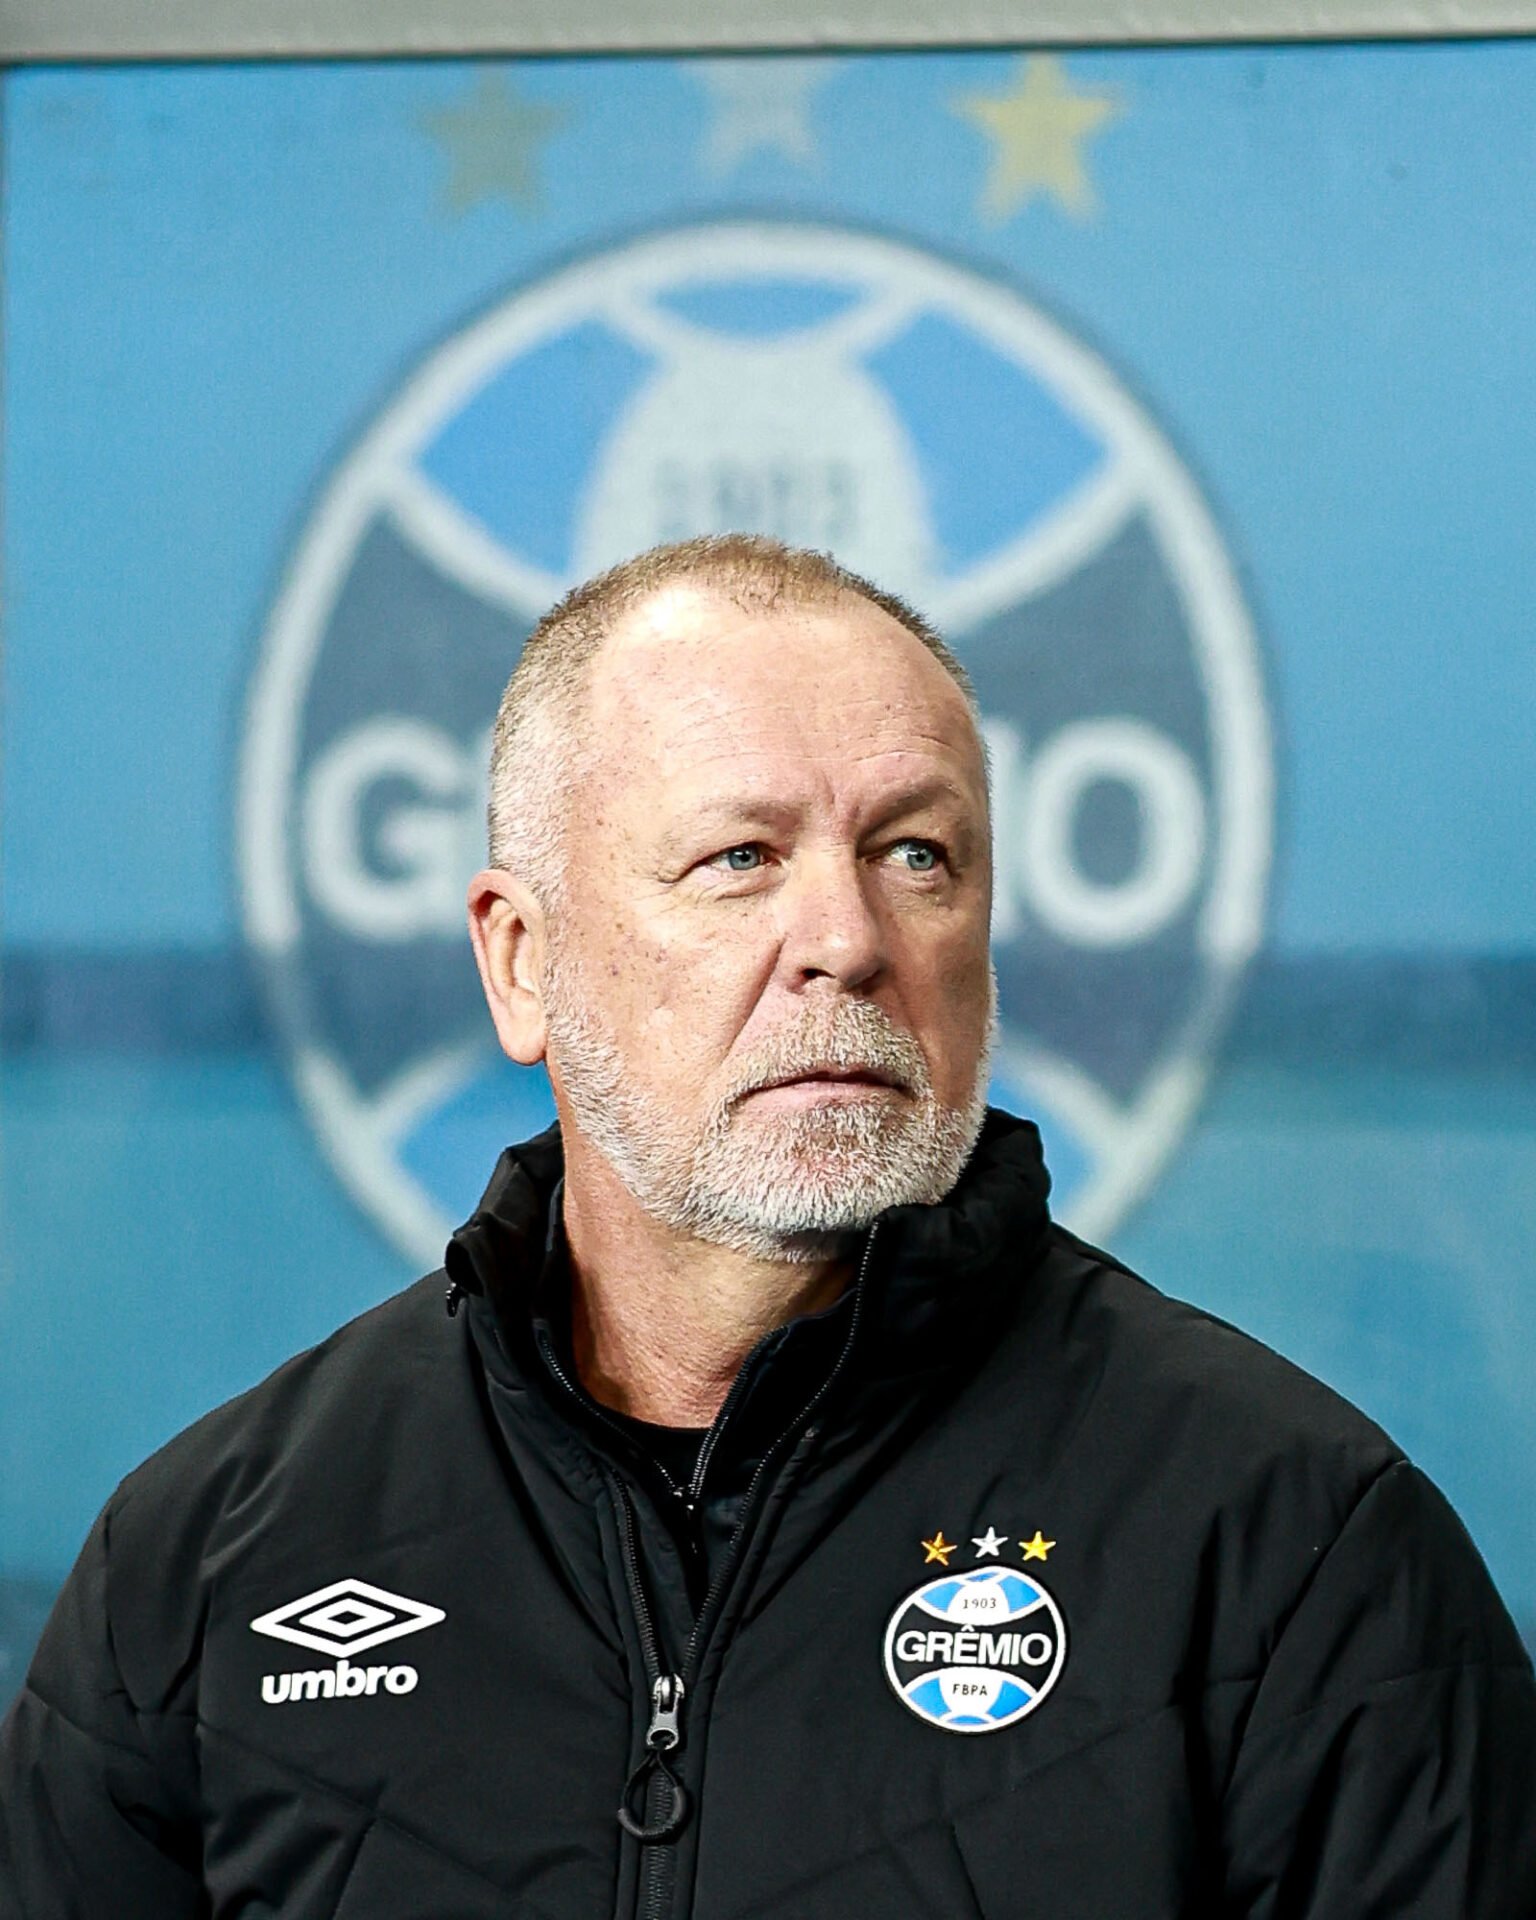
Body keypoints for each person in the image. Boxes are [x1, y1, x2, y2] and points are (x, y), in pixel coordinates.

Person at [2, 533, 1532, 1918]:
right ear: (522, 960)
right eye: (740, 858)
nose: (851, 941)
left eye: (916, 854)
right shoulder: (209, 1566)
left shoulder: (1299, 1549)